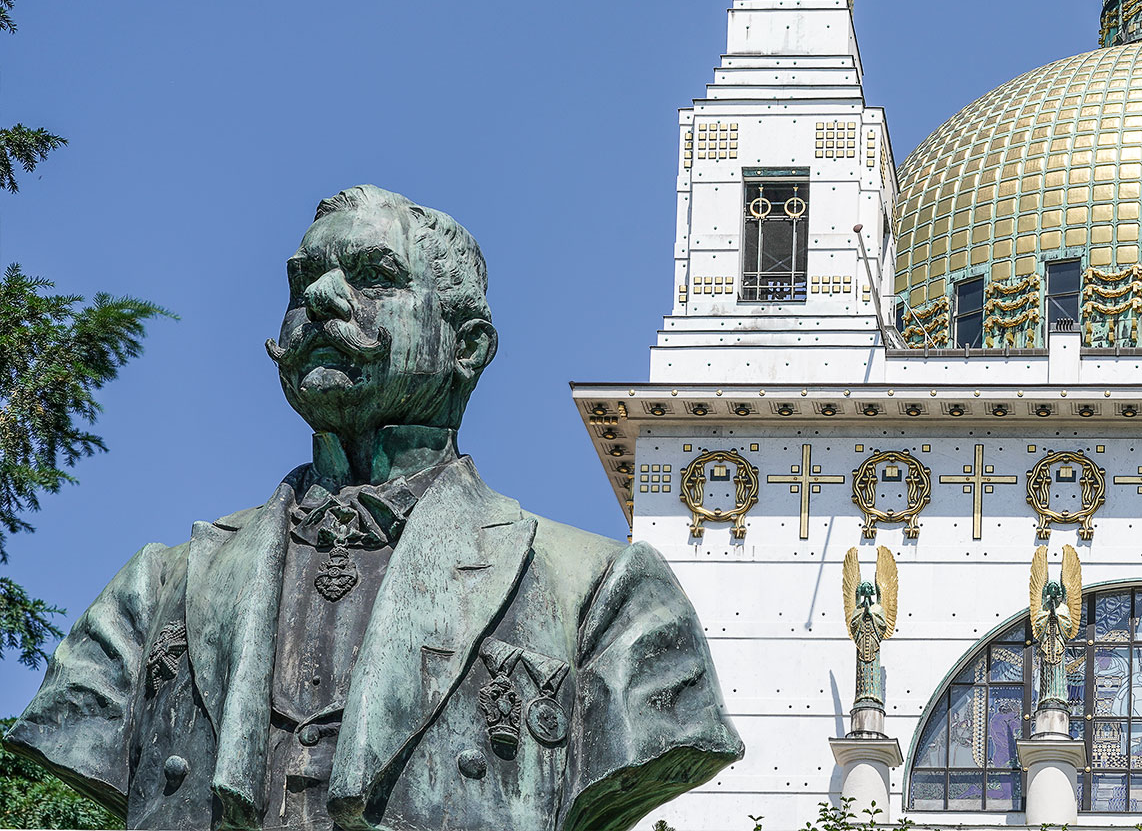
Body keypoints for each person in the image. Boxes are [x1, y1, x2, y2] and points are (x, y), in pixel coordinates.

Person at [6, 185, 743, 831]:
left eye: (373, 277)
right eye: (303, 283)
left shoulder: (604, 597)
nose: (323, 298)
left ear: (470, 347)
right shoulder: (152, 593)